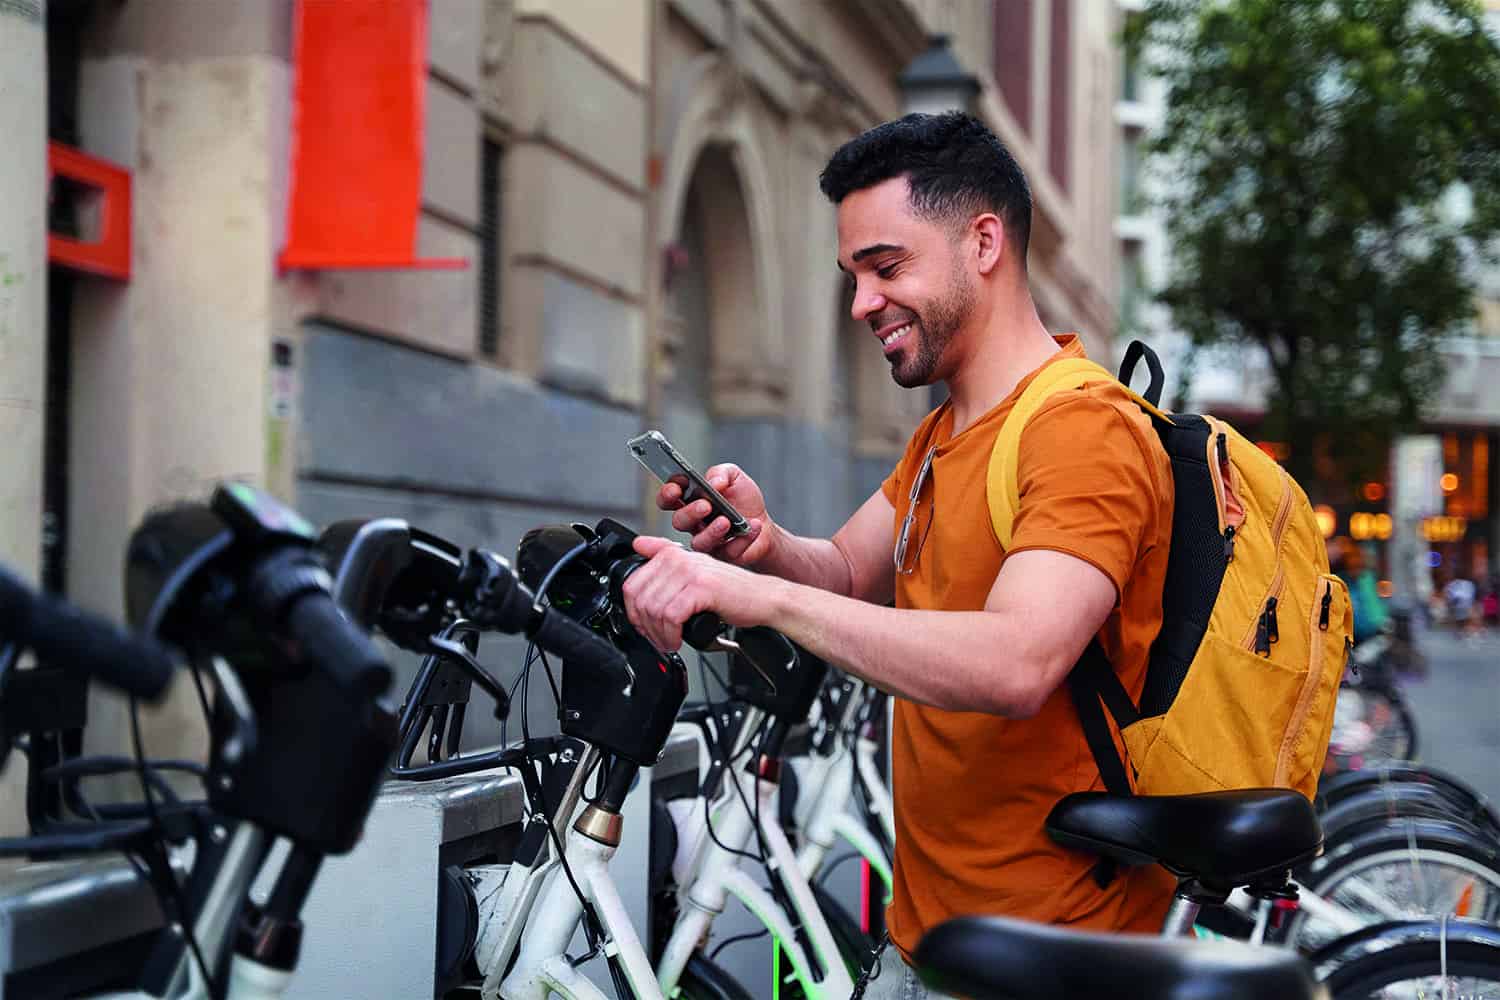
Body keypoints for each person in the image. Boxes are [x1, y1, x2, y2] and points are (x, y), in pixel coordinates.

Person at [619, 112, 1176, 996]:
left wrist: (762, 599)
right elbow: (841, 572)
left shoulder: (1079, 429)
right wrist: (759, 545)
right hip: (937, 937)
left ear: (983, 242)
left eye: (886, 267)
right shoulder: (946, 434)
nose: (861, 303)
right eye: (853, 276)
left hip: (1052, 957)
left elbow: (1017, 661)